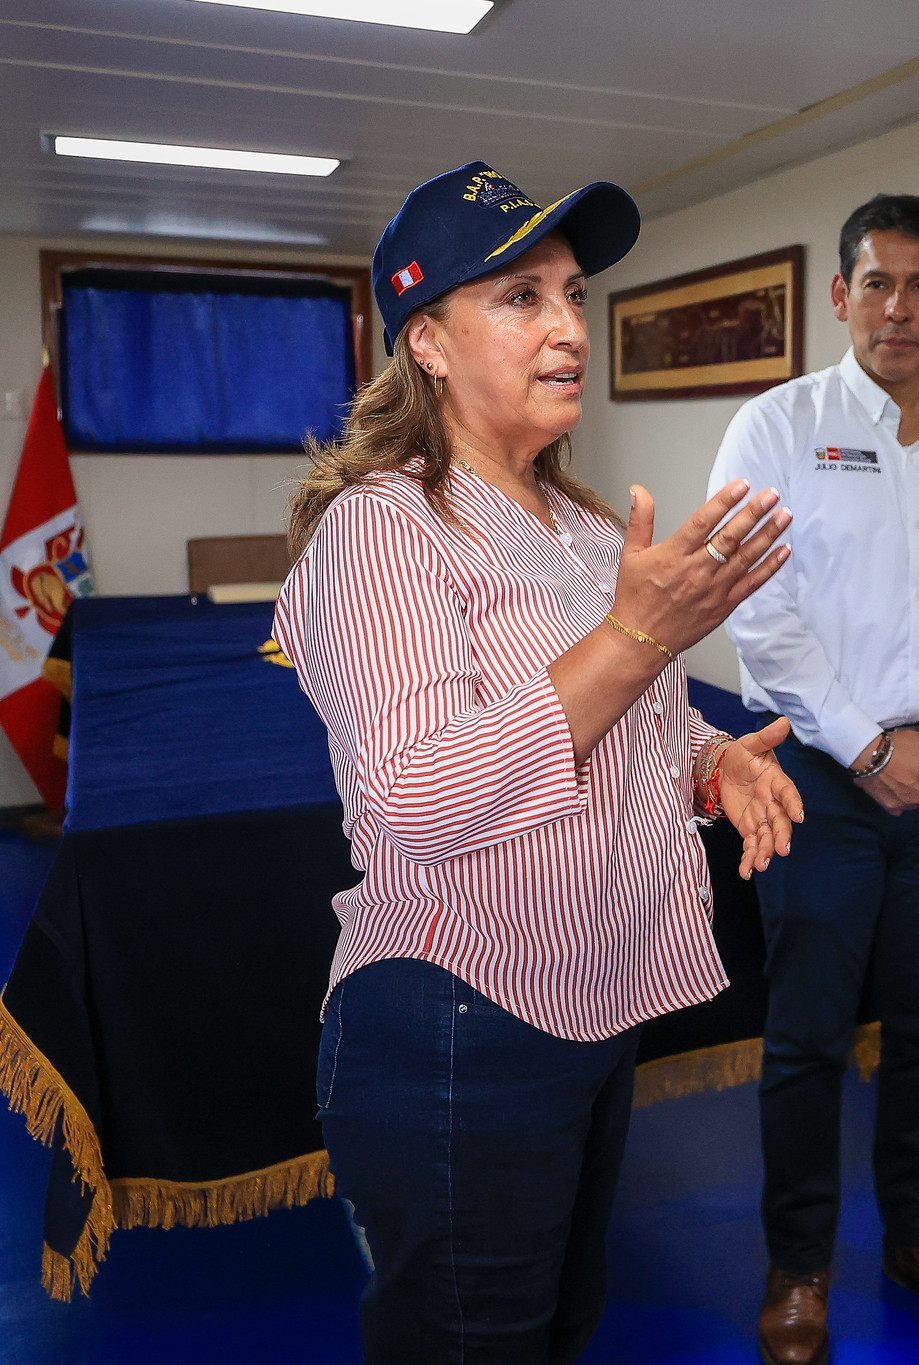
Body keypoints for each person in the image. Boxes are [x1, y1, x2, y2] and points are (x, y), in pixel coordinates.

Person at [275, 163, 807, 1360]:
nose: (570, 327)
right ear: (430, 342)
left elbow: (626, 727)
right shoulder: (385, 527)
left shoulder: (579, 528)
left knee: (559, 1324)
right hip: (457, 1020)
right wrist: (635, 640)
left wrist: (716, 762)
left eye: (571, 293)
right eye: (520, 297)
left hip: (588, 1007)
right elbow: (417, 794)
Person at [707, 193, 919, 1363]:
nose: (895, 307)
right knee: (806, 1036)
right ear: (842, 294)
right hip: (815, 776)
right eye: (874, 283)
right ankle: (799, 1264)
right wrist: (865, 745)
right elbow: (757, 611)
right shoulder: (776, 429)